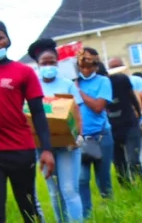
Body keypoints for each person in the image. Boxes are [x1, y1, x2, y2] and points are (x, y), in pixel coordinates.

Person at [0, 20, 54, 223]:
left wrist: (47, 149)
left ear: (8, 40)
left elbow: (38, 113)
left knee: (28, 205)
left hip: (20, 150)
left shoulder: (24, 72)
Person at [27, 39, 84, 223]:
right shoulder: (31, 84)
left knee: (69, 189)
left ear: (58, 63)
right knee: (54, 192)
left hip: (67, 144)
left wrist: (79, 135)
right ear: (38, 64)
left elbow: (77, 111)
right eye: (44, 63)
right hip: (42, 146)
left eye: (52, 62)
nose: (49, 66)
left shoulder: (67, 84)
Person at [74, 48, 113, 218]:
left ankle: (110, 212)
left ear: (96, 66)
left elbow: (98, 107)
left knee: (103, 178)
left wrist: (78, 92)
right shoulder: (72, 82)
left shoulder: (103, 81)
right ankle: (86, 215)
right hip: (80, 137)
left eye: (89, 67)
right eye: (82, 67)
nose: (86, 70)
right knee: (82, 179)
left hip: (101, 136)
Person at [105, 57, 142, 184]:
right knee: (118, 163)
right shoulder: (101, 85)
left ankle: (139, 184)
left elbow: (132, 97)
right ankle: (126, 187)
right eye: (113, 67)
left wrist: (140, 115)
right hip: (112, 127)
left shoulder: (123, 80)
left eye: (118, 66)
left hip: (129, 124)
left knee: (134, 159)